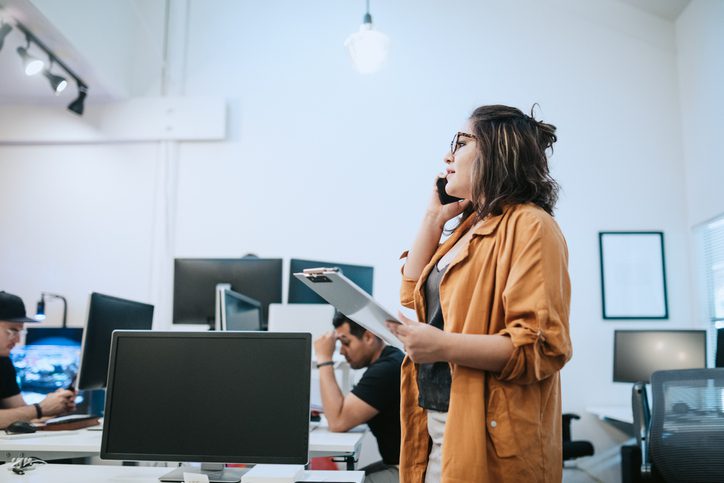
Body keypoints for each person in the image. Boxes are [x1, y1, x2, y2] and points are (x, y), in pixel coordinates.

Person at [388, 105, 573, 482]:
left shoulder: (531, 225)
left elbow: (541, 347)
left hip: (488, 432)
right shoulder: (470, 226)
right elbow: (412, 294)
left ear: (495, 150)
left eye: (460, 142)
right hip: (437, 419)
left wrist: (442, 347)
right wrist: (432, 218)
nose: (447, 156)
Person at [314, 311, 404, 483]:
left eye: (346, 343)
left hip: (407, 471)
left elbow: (337, 421)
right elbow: (342, 415)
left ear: (369, 337)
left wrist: (324, 358)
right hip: (401, 464)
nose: (341, 351)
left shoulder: (386, 370)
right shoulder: (391, 361)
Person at [0, 291, 76, 429]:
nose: (17, 340)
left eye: (20, 332)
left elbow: (21, 413)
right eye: (12, 331)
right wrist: (40, 409)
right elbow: (32, 412)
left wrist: (56, 405)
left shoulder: (4, 363)